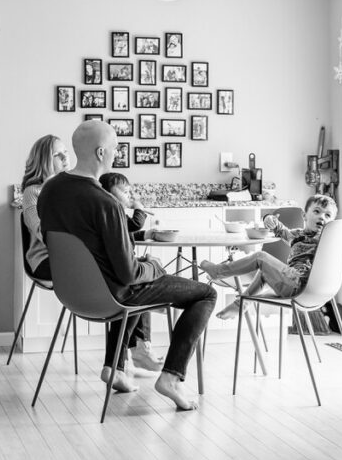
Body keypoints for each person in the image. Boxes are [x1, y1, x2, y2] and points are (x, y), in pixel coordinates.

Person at [38, 120, 215, 411]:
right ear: (100, 152)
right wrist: (155, 266)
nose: (116, 154)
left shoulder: (50, 190)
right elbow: (129, 274)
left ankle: (115, 368)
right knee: (205, 293)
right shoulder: (105, 203)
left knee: (134, 281)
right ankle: (171, 377)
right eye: (115, 148)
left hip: (71, 294)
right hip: (113, 295)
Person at [199, 195, 337, 320]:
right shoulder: (297, 235)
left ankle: (219, 272)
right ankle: (241, 304)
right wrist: (268, 218)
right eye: (317, 211)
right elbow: (281, 230)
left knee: (261, 257)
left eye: (328, 215)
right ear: (304, 216)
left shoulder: (324, 240)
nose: (322, 217)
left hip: (302, 286)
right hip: (291, 282)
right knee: (264, 271)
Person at [98, 171, 165, 373]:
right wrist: (139, 209)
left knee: (143, 279)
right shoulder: (110, 211)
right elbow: (133, 224)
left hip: (120, 270)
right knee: (145, 281)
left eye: (130, 191)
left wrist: (147, 234)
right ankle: (141, 348)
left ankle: (138, 350)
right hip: (118, 276)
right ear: (107, 193)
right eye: (124, 191)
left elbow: (127, 231)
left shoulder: (112, 213)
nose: (129, 194)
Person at [21, 135, 69, 281]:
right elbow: (42, 232)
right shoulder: (33, 192)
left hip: (72, 254)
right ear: (43, 161)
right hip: (45, 260)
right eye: (57, 155)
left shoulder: (72, 188)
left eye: (65, 152)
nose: (64, 157)